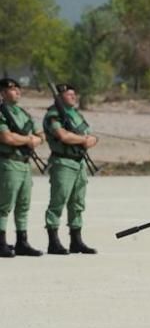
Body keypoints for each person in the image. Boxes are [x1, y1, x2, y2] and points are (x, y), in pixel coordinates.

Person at [43, 82, 98, 254]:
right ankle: (53, 241)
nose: (73, 97)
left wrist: (91, 140)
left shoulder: (75, 114)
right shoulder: (54, 115)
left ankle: (76, 240)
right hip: (63, 162)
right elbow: (62, 136)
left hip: (79, 162)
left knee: (77, 202)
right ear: (59, 97)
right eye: (69, 94)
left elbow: (88, 134)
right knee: (58, 201)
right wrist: (83, 140)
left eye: (74, 94)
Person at [0, 78, 44, 258]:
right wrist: (28, 139)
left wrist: (34, 140)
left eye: (18, 88)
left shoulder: (23, 114)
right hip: (8, 163)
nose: (17, 91)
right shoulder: (2, 113)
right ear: (2, 93)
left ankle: (22, 241)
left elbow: (40, 135)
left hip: (24, 164)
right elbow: (6, 138)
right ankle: (1, 242)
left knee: (23, 205)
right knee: (4, 205)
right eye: (12, 89)